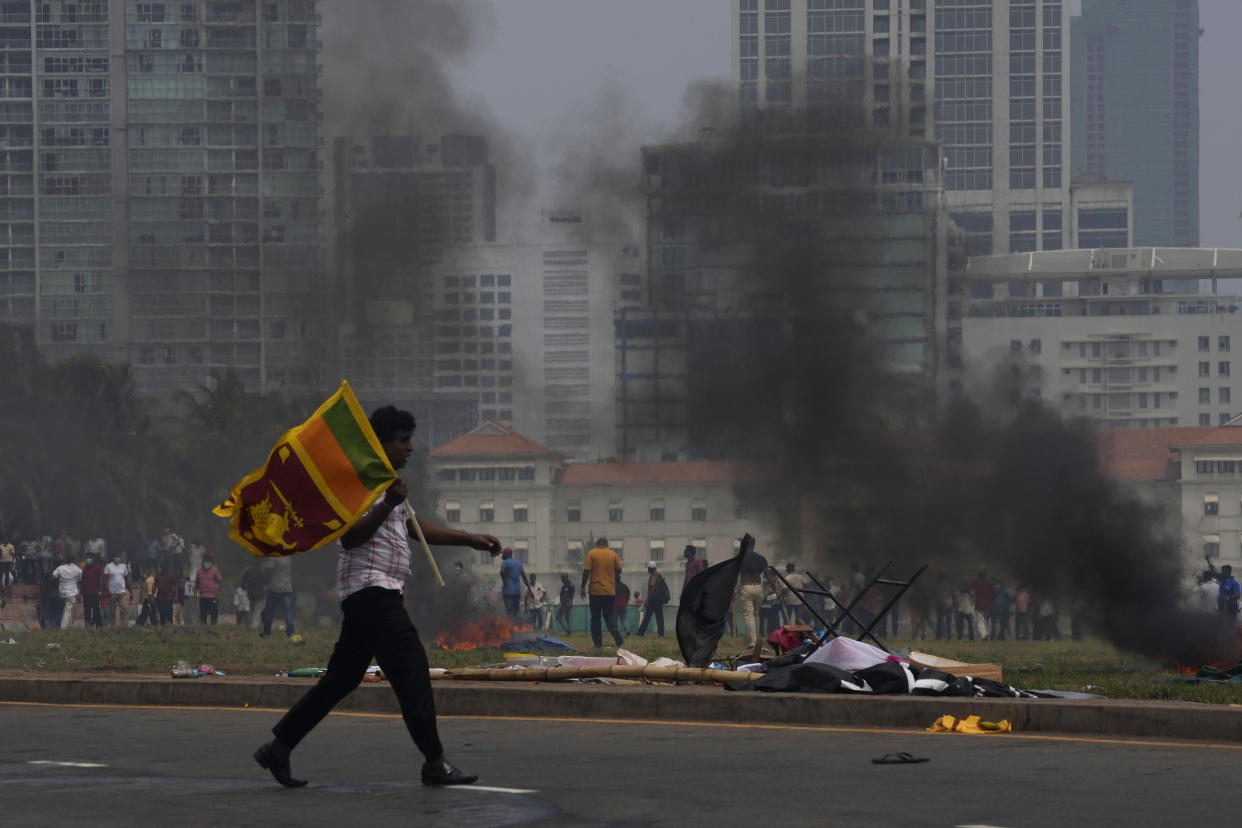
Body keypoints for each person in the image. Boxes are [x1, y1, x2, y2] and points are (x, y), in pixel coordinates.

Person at [254, 404, 500, 788]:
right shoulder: (358, 484)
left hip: (371, 596)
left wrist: (470, 540)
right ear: (381, 444)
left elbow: (416, 528)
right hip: (373, 593)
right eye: (403, 441)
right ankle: (434, 762)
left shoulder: (386, 483)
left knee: (341, 679)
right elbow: (350, 536)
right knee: (412, 670)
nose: (410, 449)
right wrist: (388, 502)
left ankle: (279, 748)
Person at [579, 538, 623, 648]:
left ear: (597, 544)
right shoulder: (613, 555)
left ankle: (598, 644)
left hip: (595, 591)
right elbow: (619, 570)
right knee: (608, 617)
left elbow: (586, 571)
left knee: (595, 618)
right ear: (606, 544)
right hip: (609, 592)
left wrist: (582, 587)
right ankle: (616, 634)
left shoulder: (592, 553)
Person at [737, 535, 770, 656]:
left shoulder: (740, 558)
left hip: (746, 587)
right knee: (756, 615)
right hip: (759, 588)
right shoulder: (761, 558)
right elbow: (768, 574)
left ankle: (752, 642)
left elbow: (733, 574)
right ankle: (755, 639)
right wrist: (777, 588)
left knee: (748, 615)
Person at [260, 556, 296, 638]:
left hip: (274, 587)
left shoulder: (274, 557)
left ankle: (267, 632)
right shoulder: (289, 557)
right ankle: (290, 632)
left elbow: (267, 570)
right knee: (288, 612)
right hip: (287, 587)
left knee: (269, 611)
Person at [637, 561, 670, 637]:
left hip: (653, 600)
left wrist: (648, 600)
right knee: (659, 617)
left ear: (651, 568)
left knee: (647, 617)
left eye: (648, 568)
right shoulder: (659, 575)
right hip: (659, 601)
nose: (648, 570)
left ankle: (640, 632)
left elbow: (652, 588)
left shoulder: (654, 576)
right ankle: (661, 634)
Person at [52, 557, 83, 628]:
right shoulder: (77, 569)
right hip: (72, 593)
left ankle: (69, 625)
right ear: (73, 561)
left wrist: (60, 582)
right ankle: (63, 627)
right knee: (68, 609)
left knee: (66, 608)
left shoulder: (60, 568)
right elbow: (81, 579)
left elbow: (53, 577)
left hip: (62, 592)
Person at [194, 555, 224, 625]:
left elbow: (220, 582)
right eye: (205, 561)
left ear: (211, 562)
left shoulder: (215, 570)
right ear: (203, 562)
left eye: (208, 561)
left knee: (213, 613)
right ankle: (203, 627)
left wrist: (218, 594)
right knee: (203, 613)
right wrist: (195, 593)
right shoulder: (199, 571)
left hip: (213, 596)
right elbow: (196, 584)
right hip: (203, 596)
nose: (207, 563)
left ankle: (213, 626)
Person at [499, 548, 526, 622]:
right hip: (517, 591)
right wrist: (529, 589)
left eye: (503, 553)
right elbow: (524, 577)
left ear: (507, 554)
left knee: (509, 612)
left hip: (508, 592)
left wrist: (504, 581)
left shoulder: (505, 562)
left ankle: (510, 627)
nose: (502, 555)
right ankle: (516, 627)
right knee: (516, 611)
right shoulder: (519, 563)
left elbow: (502, 571)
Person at [104, 554, 130, 628]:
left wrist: (130, 591)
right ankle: (113, 627)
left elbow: (126, 578)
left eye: (118, 557)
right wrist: (107, 590)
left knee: (124, 609)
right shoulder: (108, 566)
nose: (117, 558)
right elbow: (105, 579)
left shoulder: (123, 566)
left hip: (122, 591)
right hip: (112, 592)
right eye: (116, 557)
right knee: (112, 611)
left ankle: (125, 627)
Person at [80, 555, 105, 628]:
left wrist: (100, 591)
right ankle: (88, 626)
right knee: (87, 611)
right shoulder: (85, 569)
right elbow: (82, 581)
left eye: (90, 558)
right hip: (86, 593)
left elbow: (101, 580)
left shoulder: (98, 568)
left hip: (95, 593)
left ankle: (99, 626)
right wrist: (80, 592)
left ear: (93, 559)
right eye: (87, 558)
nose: (88, 560)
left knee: (96, 611)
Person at [154, 561, 181, 626]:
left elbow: (176, 586)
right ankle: (163, 628)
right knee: (161, 614)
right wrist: (153, 596)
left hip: (168, 598)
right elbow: (155, 586)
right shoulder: (158, 575)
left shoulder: (171, 575)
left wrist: (176, 596)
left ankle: (169, 628)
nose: (164, 568)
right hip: (160, 598)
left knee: (169, 614)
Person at [242, 561, 267, 628]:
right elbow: (265, 583)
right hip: (259, 594)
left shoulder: (248, 572)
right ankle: (254, 626)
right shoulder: (262, 573)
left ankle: (248, 624)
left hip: (250, 594)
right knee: (257, 610)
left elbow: (243, 583)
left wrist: (246, 589)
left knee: (250, 609)